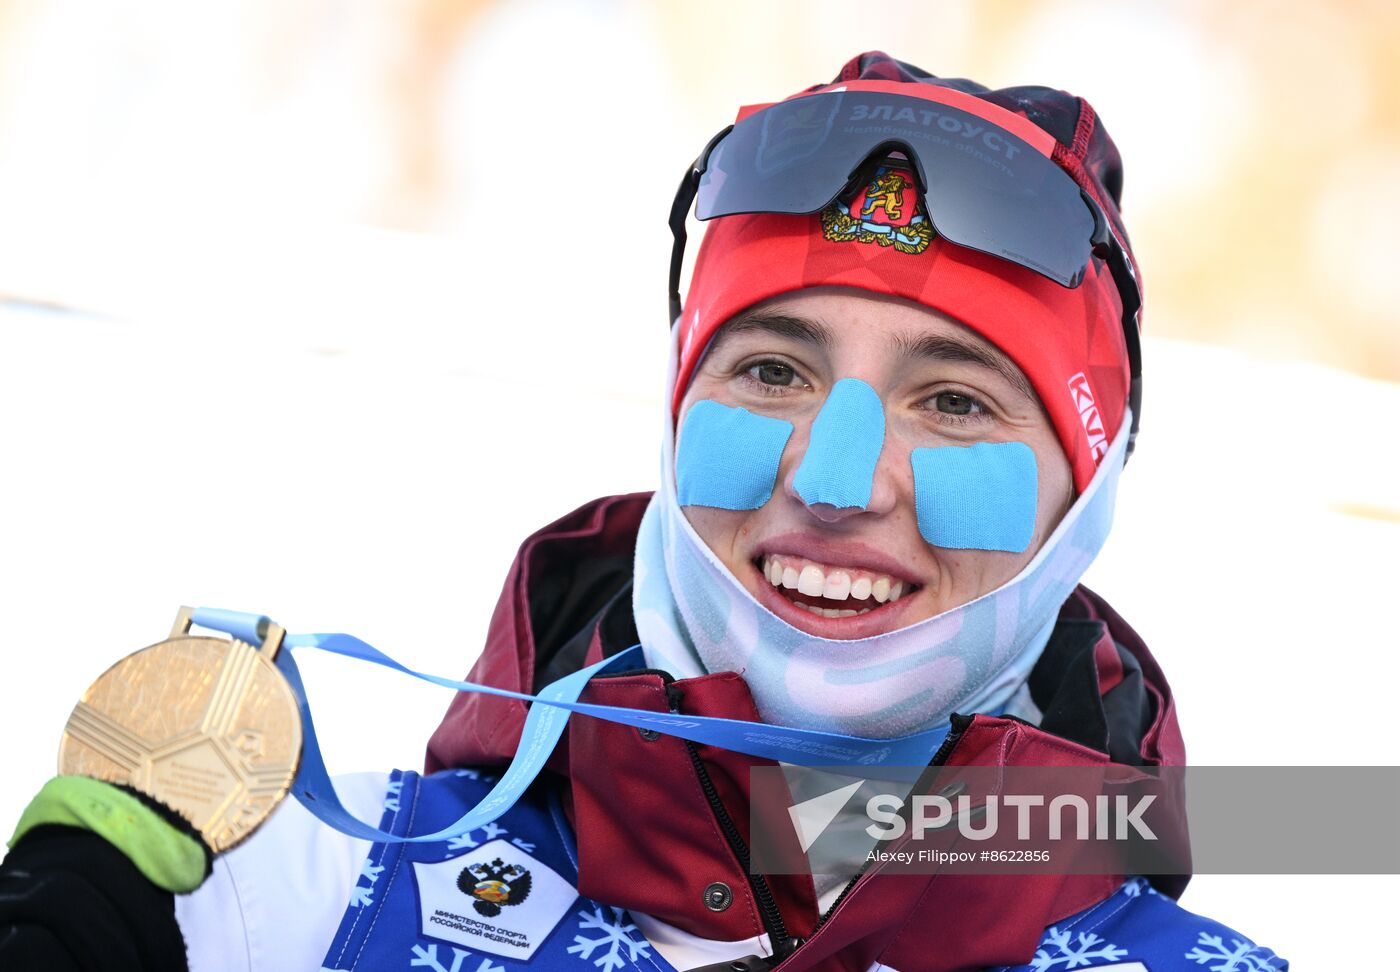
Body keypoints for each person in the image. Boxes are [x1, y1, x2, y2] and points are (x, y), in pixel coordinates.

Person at [0, 52, 1287, 971]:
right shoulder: (283, 890)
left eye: (952, 402)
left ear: (1090, 492)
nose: (835, 480)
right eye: (770, 371)